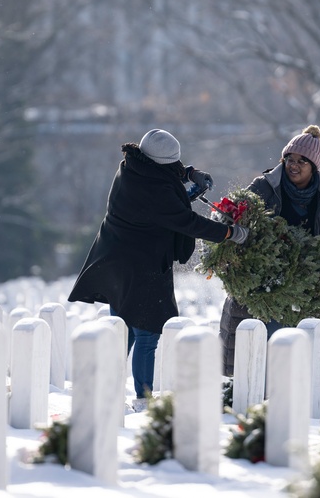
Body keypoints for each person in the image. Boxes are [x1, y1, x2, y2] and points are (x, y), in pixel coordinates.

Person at [68, 129, 248, 405]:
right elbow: (186, 222)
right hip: (140, 266)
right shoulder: (155, 189)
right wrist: (230, 234)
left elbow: (158, 199)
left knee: (122, 329)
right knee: (147, 332)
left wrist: (188, 174)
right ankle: (144, 398)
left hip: (115, 260)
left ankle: (105, 391)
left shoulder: (132, 168)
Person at [218, 124, 320, 383]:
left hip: (310, 289)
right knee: (265, 345)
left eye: (301, 161)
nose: (293, 165)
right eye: (289, 159)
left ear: (314, 166)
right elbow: (236, 217)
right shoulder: (264, 187)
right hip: (265, 286)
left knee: (305, 351)